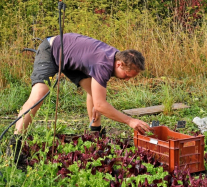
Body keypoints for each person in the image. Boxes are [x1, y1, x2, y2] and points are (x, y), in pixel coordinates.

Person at [14, 33, 153, 136]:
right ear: (119, 64)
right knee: (39, 94)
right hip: (51, 50)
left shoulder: (116, 56)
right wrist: (130, 121)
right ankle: (16, 140)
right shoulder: (103, 64)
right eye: (127, 75)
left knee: (95, 92)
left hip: (71, 57)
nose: (127, 80)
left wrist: (100, 104)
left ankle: (95, 133)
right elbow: (100, 105)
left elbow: (98, 99)